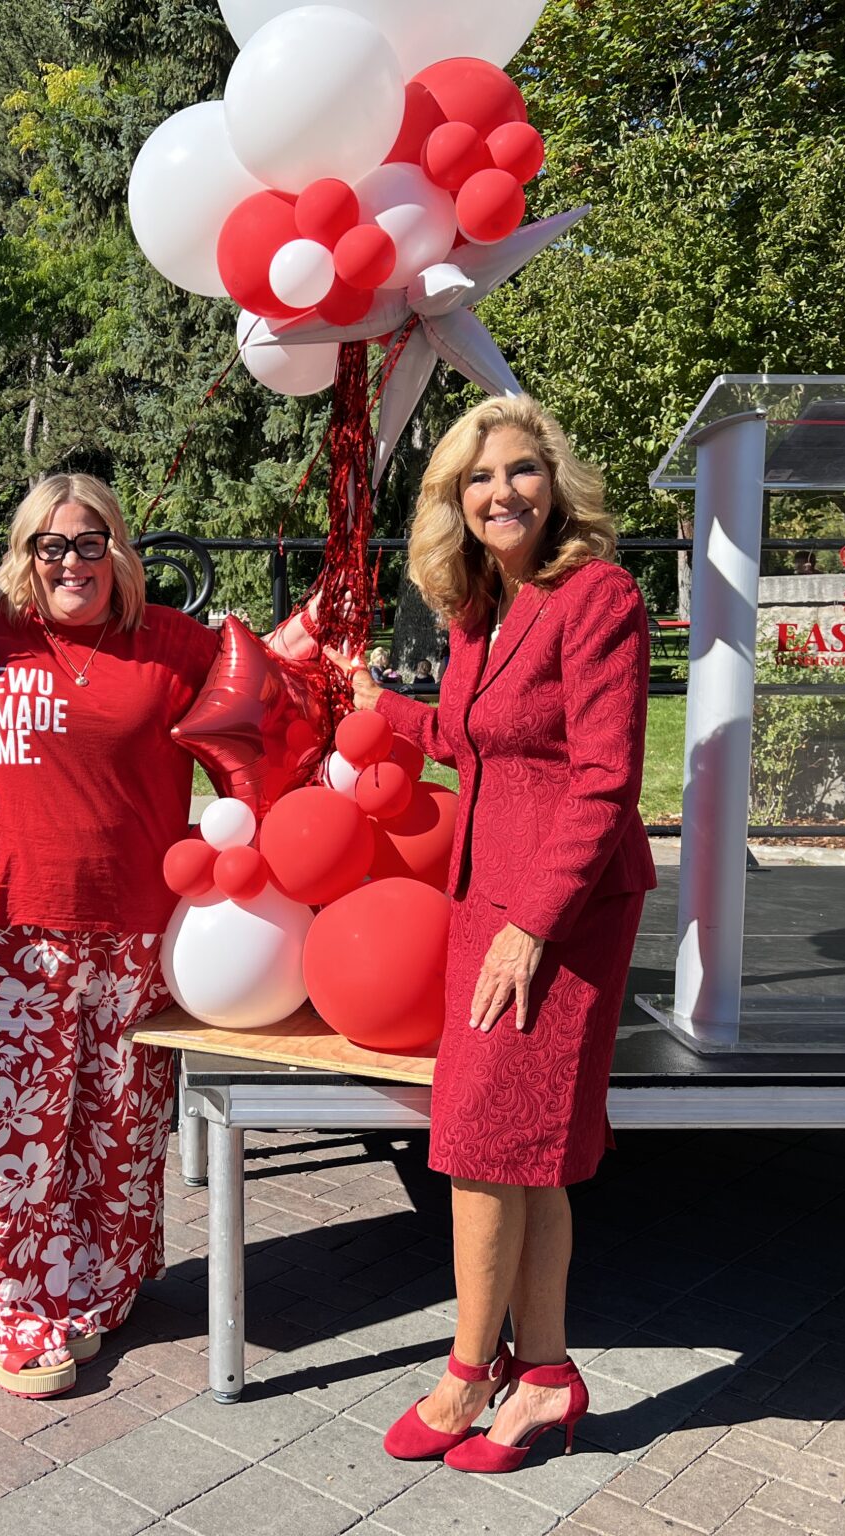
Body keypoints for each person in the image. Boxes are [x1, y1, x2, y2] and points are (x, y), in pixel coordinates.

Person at [328, 394, 653, 1473]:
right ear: (452, 502)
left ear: (554, 482)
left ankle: (468, 1374)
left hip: (554, 914)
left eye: (519, 470)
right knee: (523, 1154)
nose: (499, 492)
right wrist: (380, 704)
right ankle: (548, 1377)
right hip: (488, 906)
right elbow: (477, 744)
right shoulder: (482, 609)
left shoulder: (595, 597)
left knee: (476, 1143)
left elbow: (603, 783)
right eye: (476, 477)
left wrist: (528, 930)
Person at [0, 471, 220, 1398]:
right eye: (52, 544)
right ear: (24, 553)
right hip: (5, 930)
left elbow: (278, 702)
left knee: (115, 1127)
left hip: (135, 931)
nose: (73, 561)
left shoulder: (172, 643)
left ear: (120, 550)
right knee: (10, 1135)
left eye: (92, 543)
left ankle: (91, 1292)